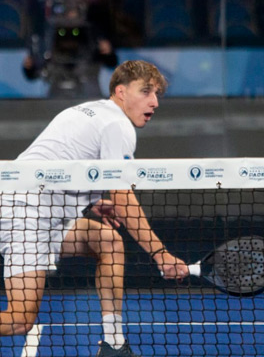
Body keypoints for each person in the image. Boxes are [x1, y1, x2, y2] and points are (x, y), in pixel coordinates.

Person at [0, 60, 189, 357]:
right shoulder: (117, 126)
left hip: (37, 208)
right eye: (146, 91)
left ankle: (114, 344)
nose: (154, 102)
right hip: (26, 215)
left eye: (157, 94)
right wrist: (160, 253)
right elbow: (124, 198)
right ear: (121, 91)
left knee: (109, 241)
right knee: (19, 320)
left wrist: (91, 201)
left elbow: (59, 162)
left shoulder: (90, 111)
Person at [22, 0, 118, 98]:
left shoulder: (91, 30)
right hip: (57, 90)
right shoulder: (50, 32)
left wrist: (108, 52)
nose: (70, 12)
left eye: (73, 7)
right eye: (66, 8)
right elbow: (35, 69)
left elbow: (111, 61)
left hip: (87, 89)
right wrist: (30, 66)